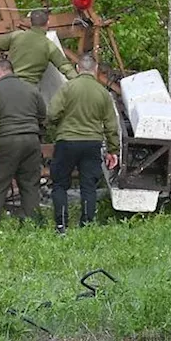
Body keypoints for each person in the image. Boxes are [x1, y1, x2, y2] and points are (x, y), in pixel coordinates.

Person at [47, 53, 119, 233]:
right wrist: (113, 150)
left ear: (78, 68)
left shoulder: (67, 88)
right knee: (89, 186)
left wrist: (58, 124)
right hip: (92, 143)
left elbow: (52, 113)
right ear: (95, 70)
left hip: (67, 141)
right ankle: (87, 225)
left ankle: (61, 226)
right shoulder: (103, 93)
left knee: (60, 184)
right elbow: (111, 125)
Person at [0, 58, 46, 223]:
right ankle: (31, 222)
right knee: (30, 184)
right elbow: (42, 114)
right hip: (31, 140)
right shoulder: (31, 89)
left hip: (7, 140)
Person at [0, 9, 77, 85]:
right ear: (48, 23)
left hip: (11, 84)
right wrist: (79, 81)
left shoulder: (17, 35)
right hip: (30, 87)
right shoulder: (48, 45)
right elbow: (65, 67)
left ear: (31, 22)